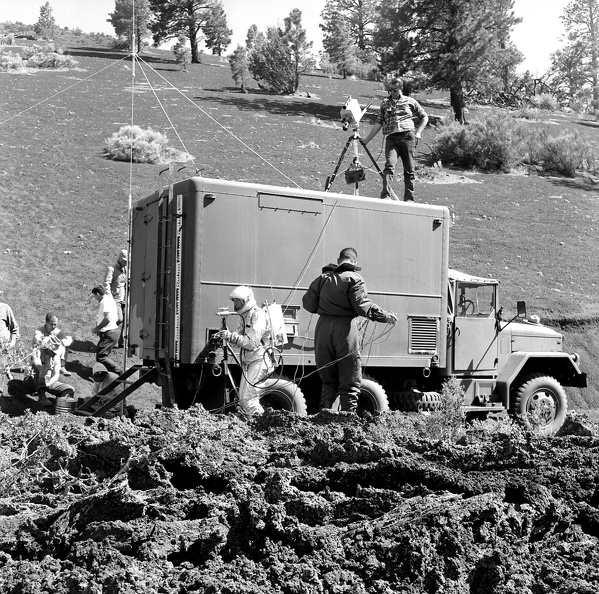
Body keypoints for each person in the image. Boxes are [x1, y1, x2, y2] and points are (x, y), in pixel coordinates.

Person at [302, 247, 398, 413]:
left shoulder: (322, 279)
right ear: (354, 261)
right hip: (345, 330)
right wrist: (385, 316)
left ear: (339, 260)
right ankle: (348, 419)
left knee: (328, 380)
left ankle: (324, 416)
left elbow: (308, 304)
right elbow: (362, 306)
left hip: (322, 329)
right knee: (349, 378)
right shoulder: (355, 279)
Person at [362, 77, 429, 202]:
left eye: (395, 90)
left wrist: (418, 133)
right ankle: (385, 196)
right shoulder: (385, 103)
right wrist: (366, 140)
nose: (392, 92)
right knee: (389, 165)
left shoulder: (410, 101)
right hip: (391, 138)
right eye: (390, 90)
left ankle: (409, 199)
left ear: (401, 89)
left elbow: (424, 117)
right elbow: (378, 122)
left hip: (407, 137)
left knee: (409, 169)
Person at [214, 286, 273, 419]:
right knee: (243, 400)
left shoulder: (258, 315)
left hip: (259, 360)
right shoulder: (245, 317)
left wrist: (230, 336)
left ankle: (261, 424)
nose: (235, 305)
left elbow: (251, 343)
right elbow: (237, 342)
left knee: (249, 400)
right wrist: (227, 334)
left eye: (237, 301)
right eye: (234, 301)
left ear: (246, 301)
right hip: (250, 361)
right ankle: (256, 424)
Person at [25, 334, 75, 407]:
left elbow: (56, 374)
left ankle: (62, 403)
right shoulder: (37, 352)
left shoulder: (56, 356)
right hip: (32, 381)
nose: (54, 353)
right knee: (38, 369)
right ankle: (42, 397)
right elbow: (37, 365)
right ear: (48, 349)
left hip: (47, 381)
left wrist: (48, 384)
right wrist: (47, 366)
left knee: (69, 389)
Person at [90, 285, 121, 375]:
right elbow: (118, 318)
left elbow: (107, 318)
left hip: (109, 333)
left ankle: (118, 372)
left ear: (98, 294)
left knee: (101, 357)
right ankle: (104, 373)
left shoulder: (105, 302)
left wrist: (97, 328)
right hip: (111, 332)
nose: (95, 299)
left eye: (95, 296)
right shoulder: (110, 300)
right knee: (101, 355)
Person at [104, 248, 128, 348]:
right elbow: (106, 284)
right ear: (119, 259)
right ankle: (105, 330)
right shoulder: (112, 269)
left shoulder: (127, 270)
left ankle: (122, 342)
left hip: (125, 299)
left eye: (127, 261)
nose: (125, 263)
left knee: (126, 320)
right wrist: (109, 297)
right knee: (120, 319)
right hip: (115, 299)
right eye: (124, 261)